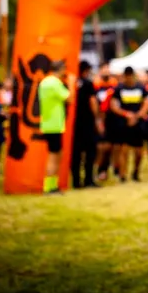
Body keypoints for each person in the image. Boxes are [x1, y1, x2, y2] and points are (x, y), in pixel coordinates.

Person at [38, 59, 75, 194]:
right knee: (54, 156)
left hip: (47, 122)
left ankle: (51, 185)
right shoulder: (55, 83)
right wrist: (71, 83)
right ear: (60, 69)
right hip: (54, 124)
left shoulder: (44, 82)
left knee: (55, 154)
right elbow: (70, 98)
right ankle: (49, 186)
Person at [109, 67, 148, 182]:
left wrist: (137, 116)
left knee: (139, 151)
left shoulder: (140, 88)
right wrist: (126, 114)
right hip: (124, 123)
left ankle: (136, 172)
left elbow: (147, 103)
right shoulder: (119, 88)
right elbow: (113, 105)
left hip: (138, 123)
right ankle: (123, 174)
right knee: (124, 150)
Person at [71, 61, 102, 188]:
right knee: (90, 152)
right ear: (86, 70)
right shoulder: (88, 84)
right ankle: (89, 179)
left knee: (76, 153)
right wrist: (97, 119)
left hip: (74, 123)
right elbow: (93, 102)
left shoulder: (71, 84)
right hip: (87, 122)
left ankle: (76, 181)